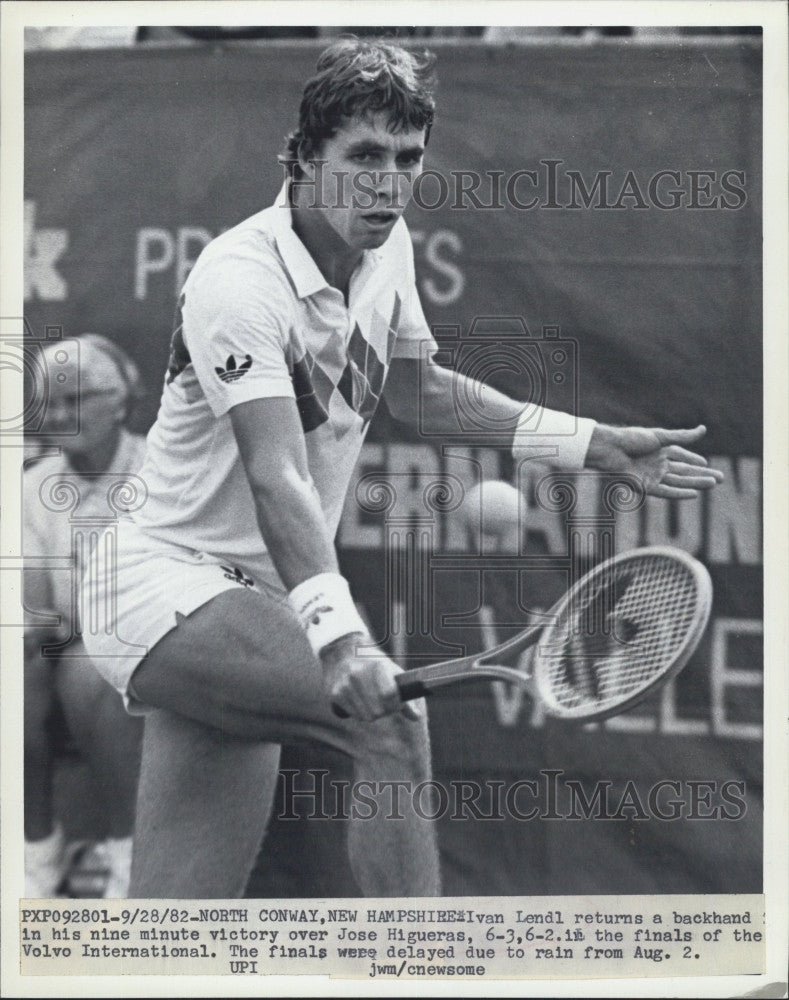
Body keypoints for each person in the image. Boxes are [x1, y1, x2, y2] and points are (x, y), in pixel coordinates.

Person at [81, 38, 723, 899]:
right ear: (305, 156)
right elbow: (277, 476)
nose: (387, 183)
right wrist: (338, 638)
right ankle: (417, 976)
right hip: (158, 584)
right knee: (390, 722)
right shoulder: (239, 281)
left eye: (407, 159)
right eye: (364, 157)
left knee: (172, 929)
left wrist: (585, 441)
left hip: (247, 603)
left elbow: (418, 392)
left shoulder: (385, 250)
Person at [24, 334, 145, 897]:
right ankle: (34, 858)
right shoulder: (31, 486)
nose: (58, 415)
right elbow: (35, 606)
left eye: (75, 400)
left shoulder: (162, 472)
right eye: (48, 402)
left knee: (93, 669)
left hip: (148, 645)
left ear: (121, 398)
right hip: (63, 644)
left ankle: (130, 861)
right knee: (17, 676)